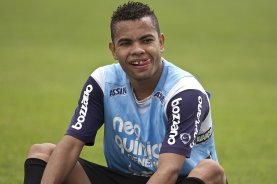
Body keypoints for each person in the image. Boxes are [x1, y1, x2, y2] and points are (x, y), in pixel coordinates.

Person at [24, 2, 227, 184]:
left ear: (161, 43)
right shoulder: (103, 81)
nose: (137, 50)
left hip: (178, 180)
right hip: (123, 177)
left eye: (146, 40)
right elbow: (70, 146)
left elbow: (169, 170)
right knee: (42, 153)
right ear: (113, 50)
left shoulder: (185, 93)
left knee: (211, 171)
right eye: (126, 43)